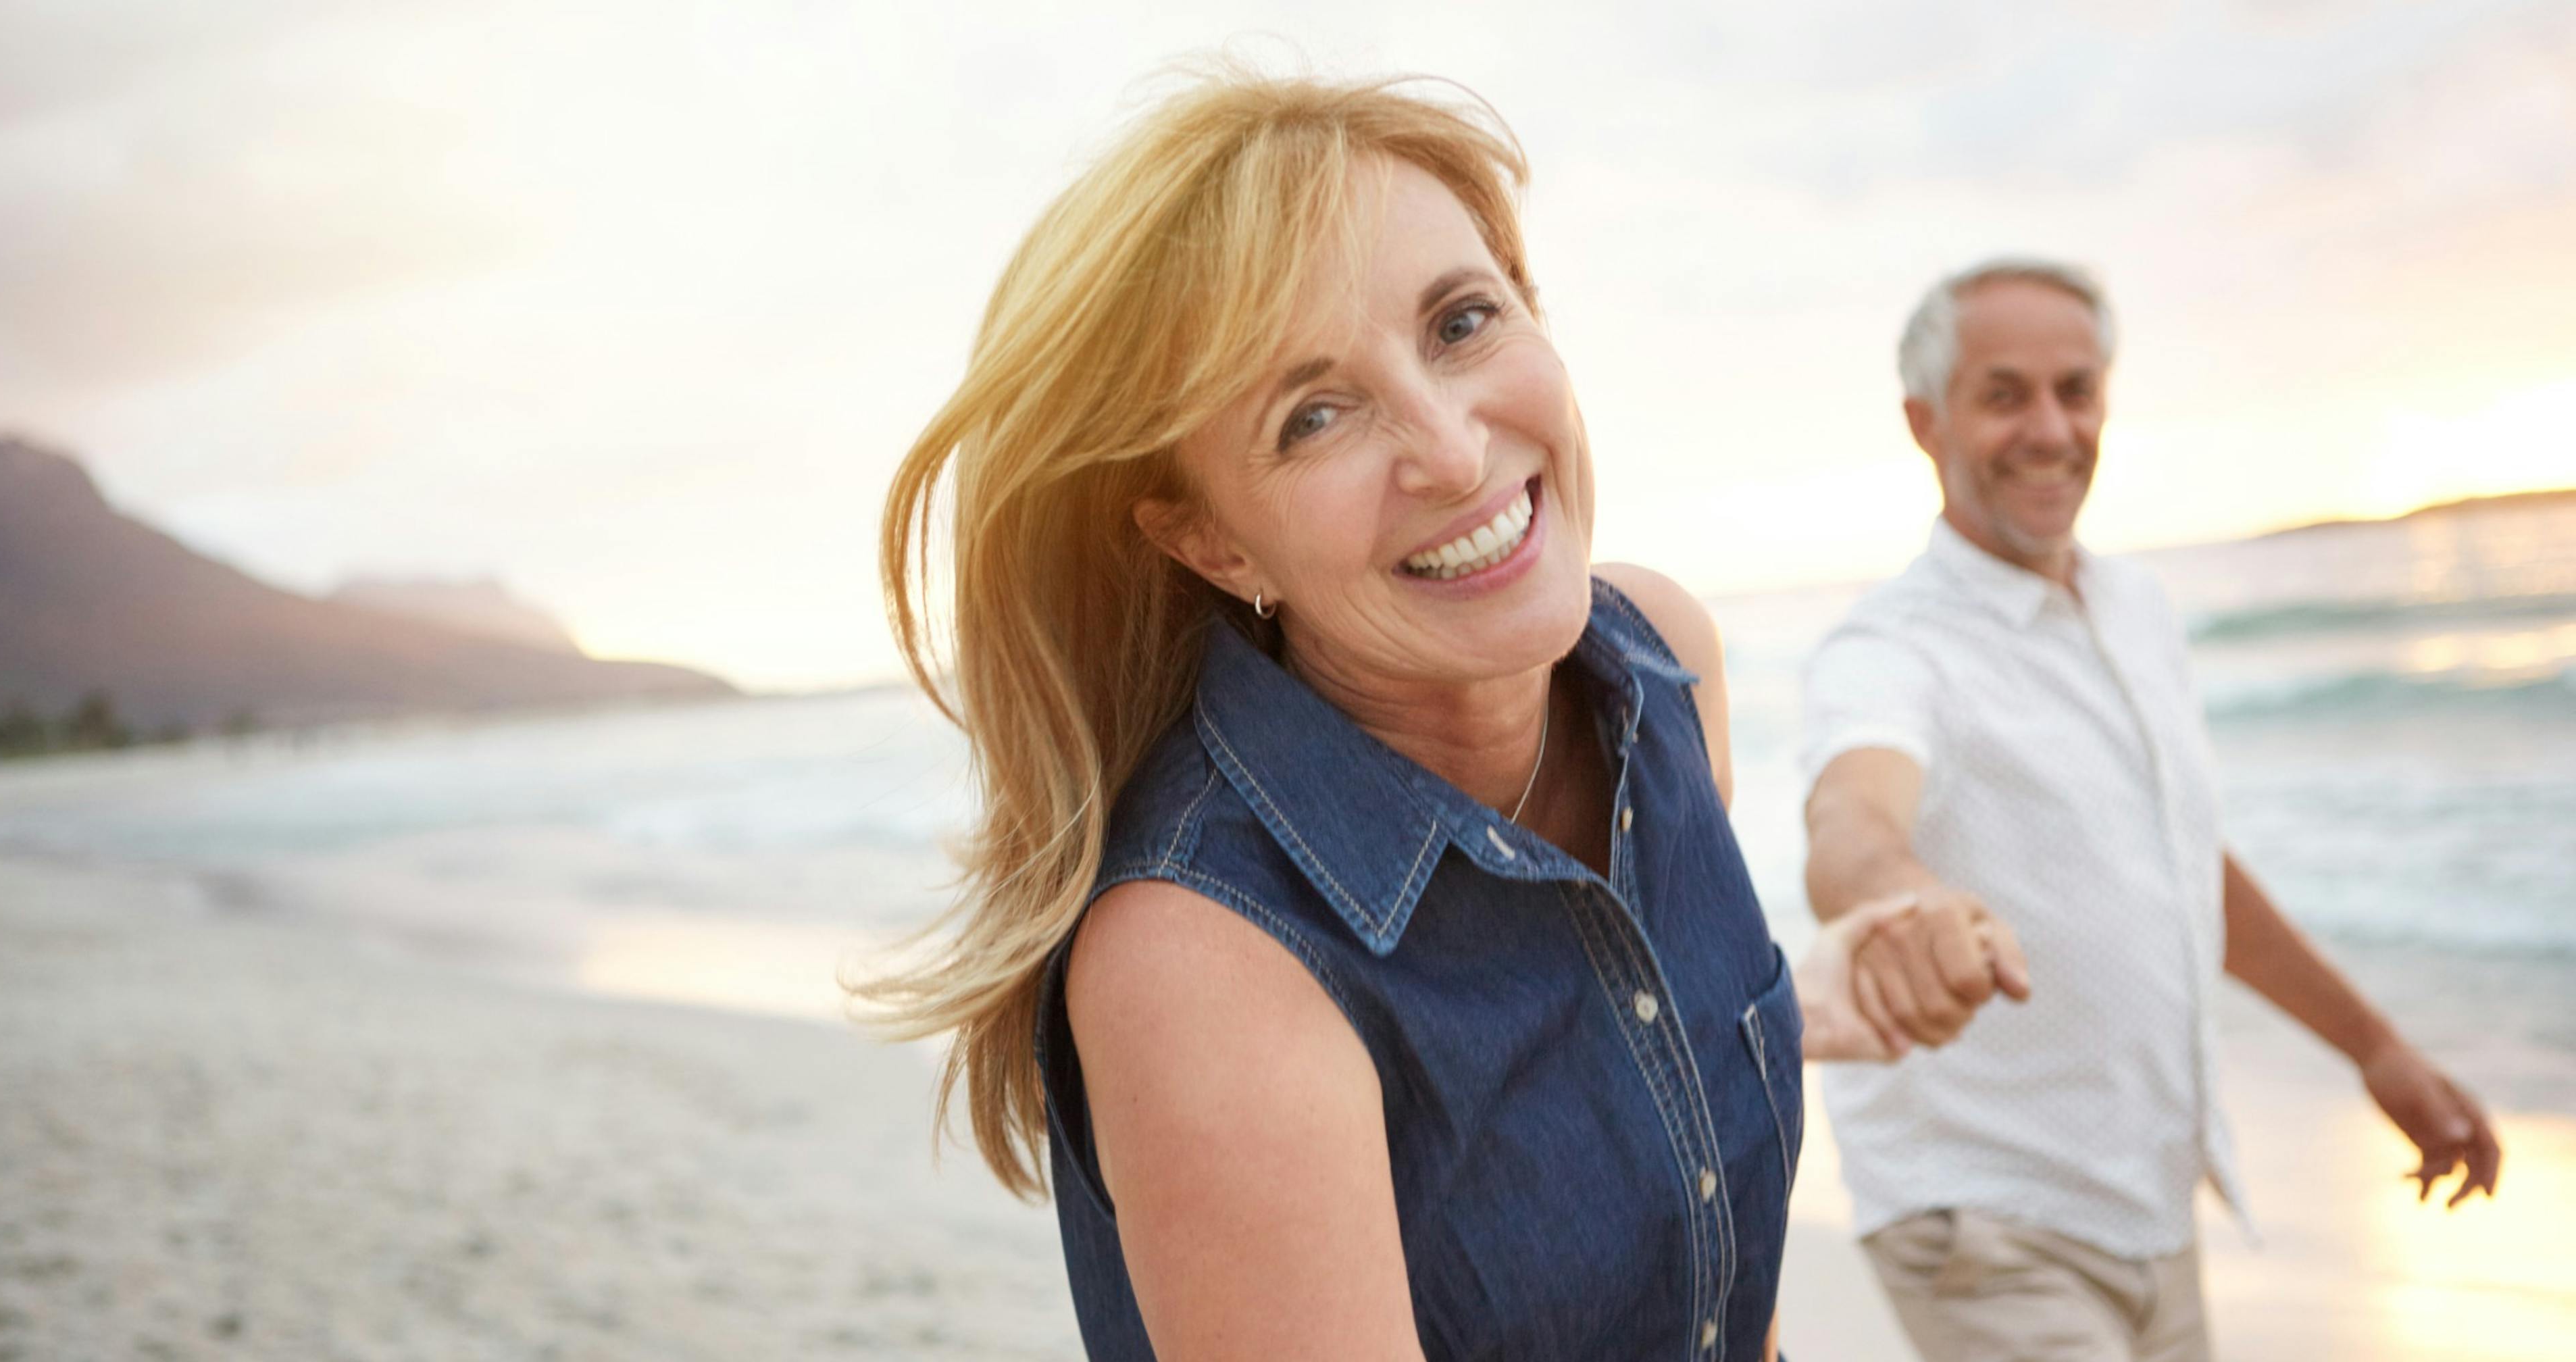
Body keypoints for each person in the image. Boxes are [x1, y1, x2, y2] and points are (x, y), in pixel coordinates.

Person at [859, 73, 2021, 1361]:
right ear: (1203, 536)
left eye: (1463, 322)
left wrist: (1780, 1007)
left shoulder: (1663, 669)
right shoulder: (1202, 958)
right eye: (1313, 415)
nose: (1455, 452)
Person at [1799, 256, 2506, 1362]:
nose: (2050, 427)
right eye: (2004, 394)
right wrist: (1910, 907)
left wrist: (2374, 1047)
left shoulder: (2137, 608)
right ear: (1924, 422)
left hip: (2151, 1208)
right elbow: (1852, 823)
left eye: (2076, 391)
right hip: (1982, 1222)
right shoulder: (1889, 650)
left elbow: (2182, 864)